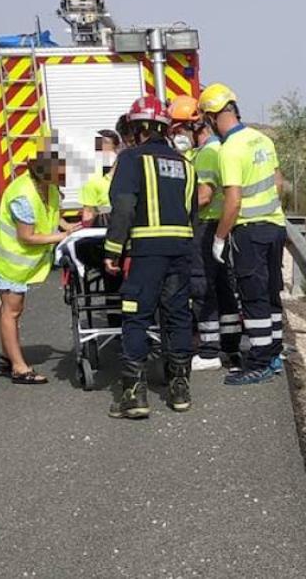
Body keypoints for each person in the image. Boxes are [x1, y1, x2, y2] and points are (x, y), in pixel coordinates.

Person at [103, 95, 198, 419]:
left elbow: (124, 208)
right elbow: (192, 214)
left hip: (146, 253)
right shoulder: (186, 164)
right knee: (177, 316)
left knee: (136, 317)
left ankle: (134, 394)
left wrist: (113, 249)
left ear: (137, 128)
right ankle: (180, 388)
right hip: (181, 251)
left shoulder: (132, 159)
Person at [198, 83, 287, 386]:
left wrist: (219, 238)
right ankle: (274, 354)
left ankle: (259, 361)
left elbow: (233, 201)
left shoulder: (229, 150)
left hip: (249, 231)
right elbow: (278, 183)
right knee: (272, 295)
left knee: (253, 298)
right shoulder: (262, 139)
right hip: (275, 226)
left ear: (211, 117)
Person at [0, 140, 79, 385]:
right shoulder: (23, 195)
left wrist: (71, 228)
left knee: (10, 308)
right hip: (8, 259)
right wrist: (62, 236)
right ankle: (18, 367)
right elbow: (26, 236)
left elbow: (53, 215)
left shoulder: (50, 188)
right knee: (12, 309)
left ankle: (8, 355)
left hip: (22, 261)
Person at [168, 95, 238, 372]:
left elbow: (205, 196)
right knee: (222, 286)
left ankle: (209, 349)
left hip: (205, 225)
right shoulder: (214, 149)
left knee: (202, 285)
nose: (178, 136)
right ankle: (231, 344)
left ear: (196, 127)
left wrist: (173, 210)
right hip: (217, 225)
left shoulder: (208, 153)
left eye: (180, 130)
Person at [80, 129, 121, 227]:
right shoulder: (91, 179)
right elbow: (88, 213)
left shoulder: (130, 174)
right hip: (105, 227)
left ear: (117, 149)